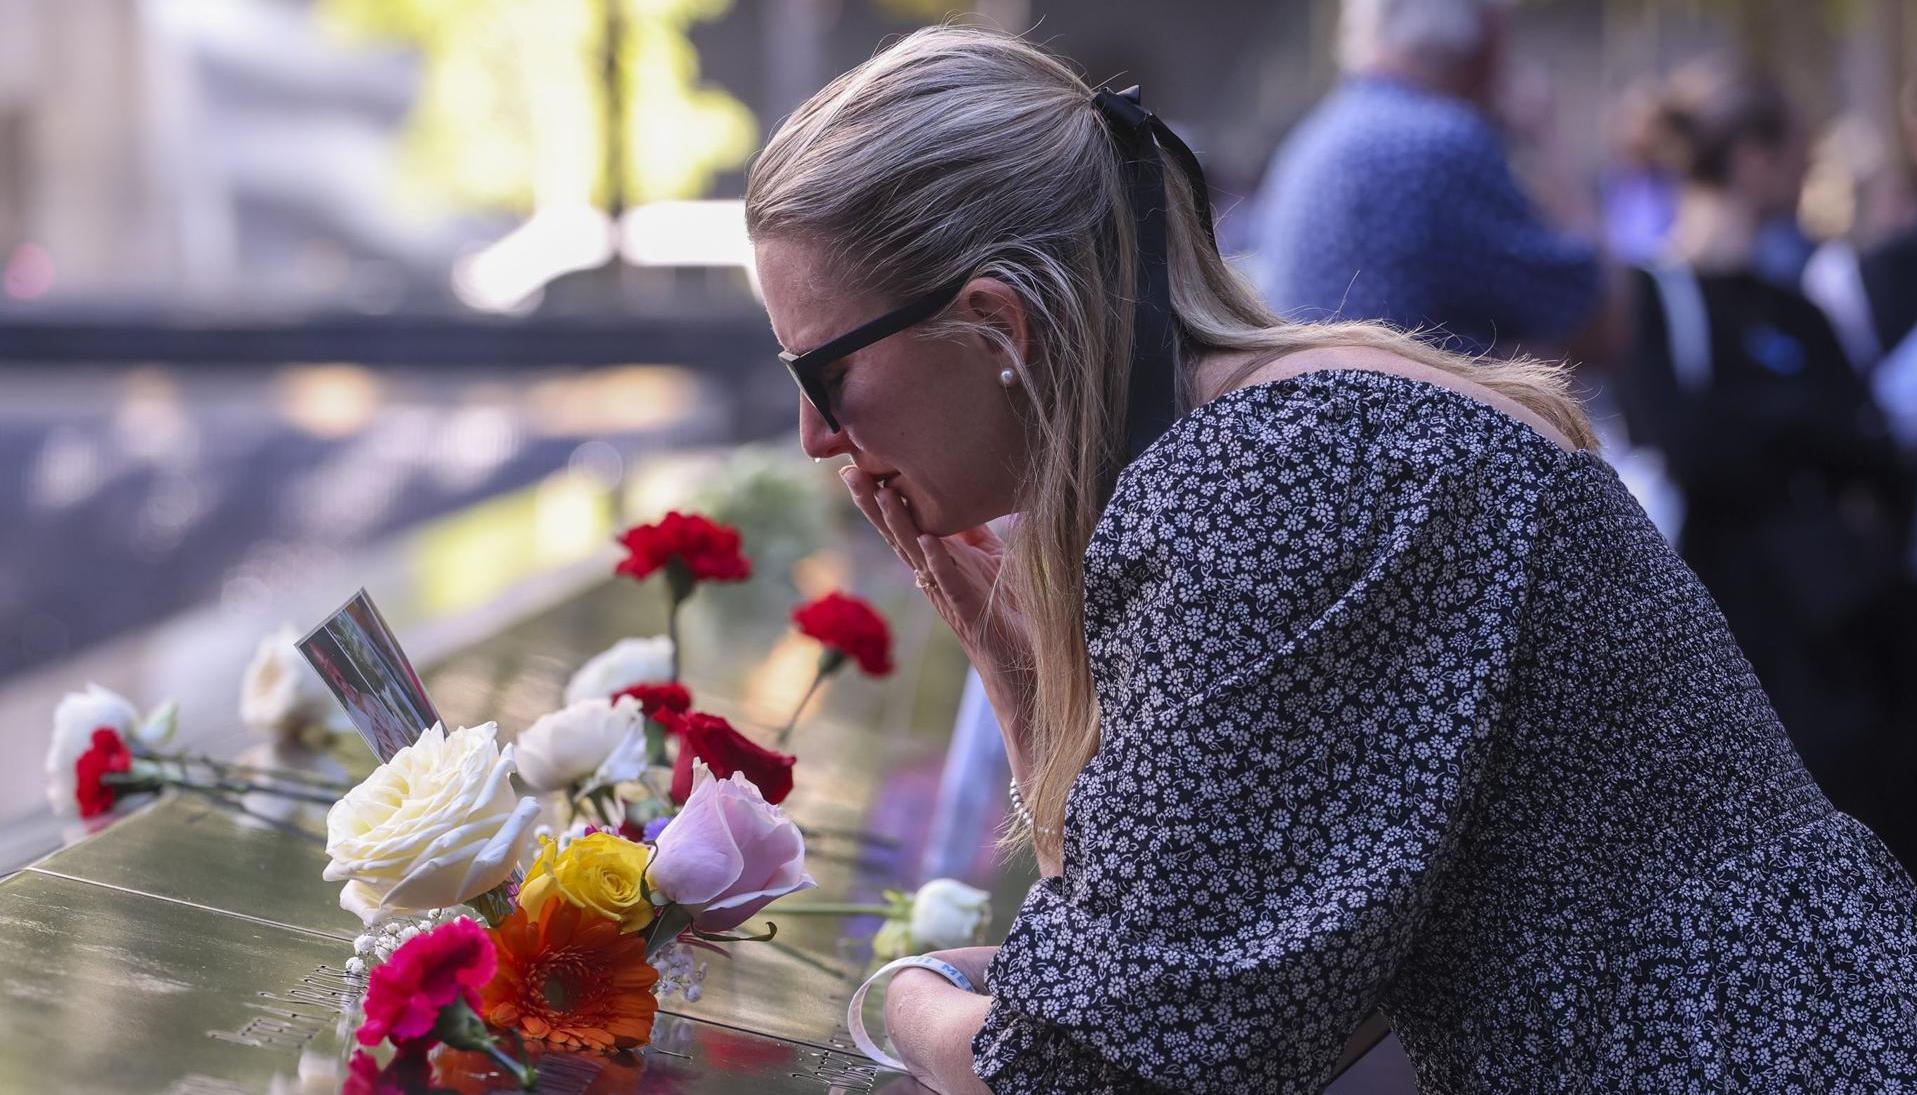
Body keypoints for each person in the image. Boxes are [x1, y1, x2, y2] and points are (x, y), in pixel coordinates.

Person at [745, 26, 1917, 1093]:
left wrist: (901, 1003)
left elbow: (1086, 1070)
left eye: (822, 374)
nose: (815, 437)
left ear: (997, 327)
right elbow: (1203, 989)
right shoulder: (1286, 432)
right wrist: (1026, 691)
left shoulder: (1275, 480)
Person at [1618, 62, 1917, 871]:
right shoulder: (1652, 298)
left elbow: (1873, 447)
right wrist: (1803, 432)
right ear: (1752, 157)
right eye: (1796, 153)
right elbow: (1691, 442)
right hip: (1728, 636)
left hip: (1839, 634)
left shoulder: (1795, 304)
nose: (1805, 175)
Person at [1246, 0, 1600, 356]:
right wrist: (1546, 138)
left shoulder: (1311, 137)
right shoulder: (1443, 143)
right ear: (1482, 43)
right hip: (1409, 407)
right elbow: (1600, 319)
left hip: (1326, 403)